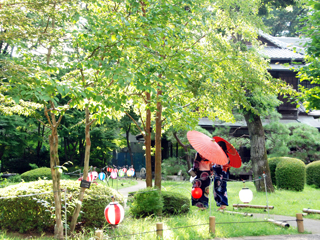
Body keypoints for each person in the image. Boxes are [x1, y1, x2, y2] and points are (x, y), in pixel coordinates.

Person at [212, 141, 231, 211]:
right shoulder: (218, 155)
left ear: (222, 147)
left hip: (222, 174)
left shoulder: (225, 155)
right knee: (216, 189)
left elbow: (224, 165)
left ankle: (223, 204)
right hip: (218, 174)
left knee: (221, 189)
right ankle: (220, 204)